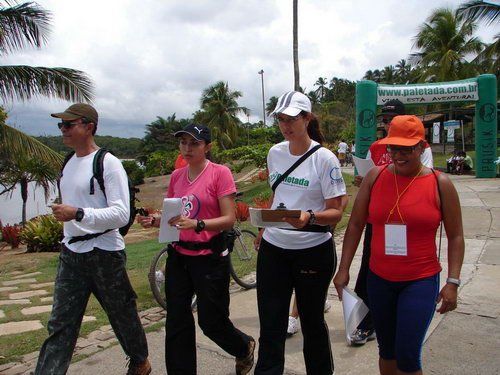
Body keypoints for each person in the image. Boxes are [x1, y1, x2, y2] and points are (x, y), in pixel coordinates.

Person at [334, 115, 465, 375]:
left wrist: (453, 282)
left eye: (407, 148)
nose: (398, 154)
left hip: (420, 280)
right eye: (393, 148)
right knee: (387, 351)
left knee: (407, 355)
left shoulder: (440, 184)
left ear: (421, 147)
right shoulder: (375, 176)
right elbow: (356, 224)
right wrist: (344, 268)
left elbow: (456, 236)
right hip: (379, 279)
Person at [35, 104, 151, 375]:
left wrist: (77, 213)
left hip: (104, 253)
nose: (63, 129)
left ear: (89, 127)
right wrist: (69, 215)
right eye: (60, 126)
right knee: (60, 324)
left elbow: (122, 214)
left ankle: (139, 361)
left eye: (69, 124)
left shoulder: (108, 163)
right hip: (72, 253)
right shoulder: (68, 162)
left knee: (121, 315)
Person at [137, 123, 254, 375]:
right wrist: (155, 221)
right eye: (183, 143)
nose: (187, 148)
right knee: (177, 322)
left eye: (194, 143)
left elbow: (229, 219)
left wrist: (198, 224)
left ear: (207, 147)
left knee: (211, 322)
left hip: (209, 257)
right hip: (179, 256)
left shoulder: (219, 173)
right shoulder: (177, 176)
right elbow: (174, 215)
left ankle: (243, 347)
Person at [254, 91, 347, 375]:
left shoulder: (325, 159)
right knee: (271, 324)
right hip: (274, 248)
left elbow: (336, 211)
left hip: (312, 250)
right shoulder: (275, 153)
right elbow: (279, 196)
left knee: (311, 322)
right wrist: (262, 228)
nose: (286, 126)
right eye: (281, 119)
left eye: (292, 119)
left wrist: (310, 218)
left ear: (307, 118)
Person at [351, 100, 434, 346]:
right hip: (379, 220)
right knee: (369, 270)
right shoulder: (376, 147)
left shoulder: (422, 148)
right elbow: (369, 176)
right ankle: (367, 323)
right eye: (385, 120)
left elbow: (422, 179)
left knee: (406, 275)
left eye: (392, 119)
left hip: (409, 223)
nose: (388, 124)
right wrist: (363, 182)